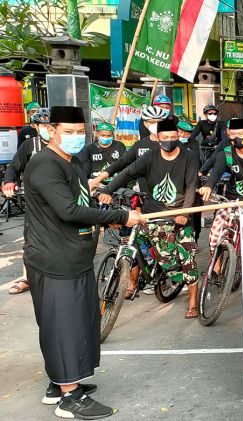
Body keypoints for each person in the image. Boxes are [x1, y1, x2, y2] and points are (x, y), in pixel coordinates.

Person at [23, 106, 141, 419]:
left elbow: (81, 201)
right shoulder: (44, 165)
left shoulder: (71, 162)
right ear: (51, 130)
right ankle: (69, 397)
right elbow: (69, 211)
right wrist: (120, 215)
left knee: (80, 322)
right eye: (69, 132)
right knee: (64, 327)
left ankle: (58, 382)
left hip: (75, 256)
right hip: (54, 259)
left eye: (80, 132)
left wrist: (107, 214)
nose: (76, 138)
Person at [101, 119, 200, 318]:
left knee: (187, 262)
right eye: (165, 138)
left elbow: (191, 186)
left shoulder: (189, 156)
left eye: (173, 137)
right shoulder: (150, 156)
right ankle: (138, 279)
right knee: (163, 260)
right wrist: (108, 190)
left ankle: (193, 301)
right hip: (153, 213)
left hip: (179, 215)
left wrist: (184, 213)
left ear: (178, 136)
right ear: (158, 138)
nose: (169, 141)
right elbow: (127, 172)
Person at [3, 108, 54, 295]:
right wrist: (9, 182)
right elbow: (15, 166)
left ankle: (56, 276)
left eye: (51, 125)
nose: (48, 129)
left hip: (60, 199)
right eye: (44, 126)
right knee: (32, 240)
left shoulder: (63, 144)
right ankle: (28, 278)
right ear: (36, 126)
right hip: (35, 201)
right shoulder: (29, 145)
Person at [200, 118, 243, 254]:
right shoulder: (225, 154)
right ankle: (215, 270)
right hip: (231, 202)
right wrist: (208, 185)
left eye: (240, 133)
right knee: (215, 235)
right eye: (232, 134)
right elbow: (215, 174)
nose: (236, 137)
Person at [89, 106, 167, 190]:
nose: (156, 125)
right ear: (145, 124)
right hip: (147, 196)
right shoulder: (140, 145)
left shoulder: (173, 144)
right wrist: (98, 179)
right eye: (152, 122)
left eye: (159, 121)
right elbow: (121, 163)